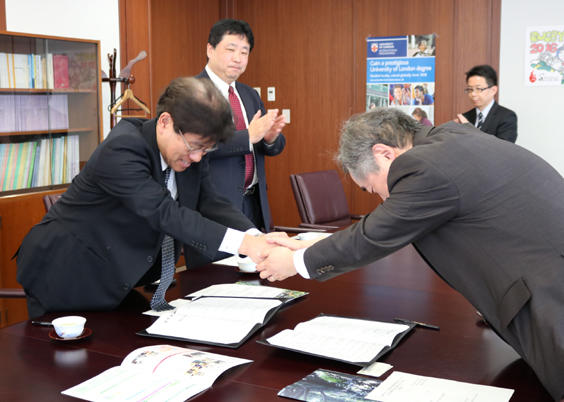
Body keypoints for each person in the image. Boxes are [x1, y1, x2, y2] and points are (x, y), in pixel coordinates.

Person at [257, 108, 564, 401]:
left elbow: (377, 232)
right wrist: (311, 246)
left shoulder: (424, 165)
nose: (381, 198)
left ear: (384, 153)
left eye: (371, 187)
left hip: (552, 302)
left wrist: (296, 262)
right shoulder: (451, 139)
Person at [16, 77, 276, 318]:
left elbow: (210, 202)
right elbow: (165, 213)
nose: (197, 157)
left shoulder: (190, 153)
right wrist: (244, 244)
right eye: (194, 147)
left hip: (119, 275)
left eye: (206, 150)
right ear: (165, 122)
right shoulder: (123, 149)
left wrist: (256, 237)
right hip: (66, 272)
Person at [195, 19, 286, 236]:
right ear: (210, 50)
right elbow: (196, 145)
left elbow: (272, 146)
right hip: (213, 209)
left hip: (253, 203)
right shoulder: (192, 92)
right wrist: (248, 136)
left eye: (244, 52)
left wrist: (270, 138)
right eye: (231, 49)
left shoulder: (249, 94)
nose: (238, 58)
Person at [456, 64, 517, 143]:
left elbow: (503, 148)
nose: (473, 94)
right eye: (470, 89)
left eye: (479, 89)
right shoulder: (465, 117)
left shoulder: (507, 117)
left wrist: (470, 129)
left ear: (493, 90)